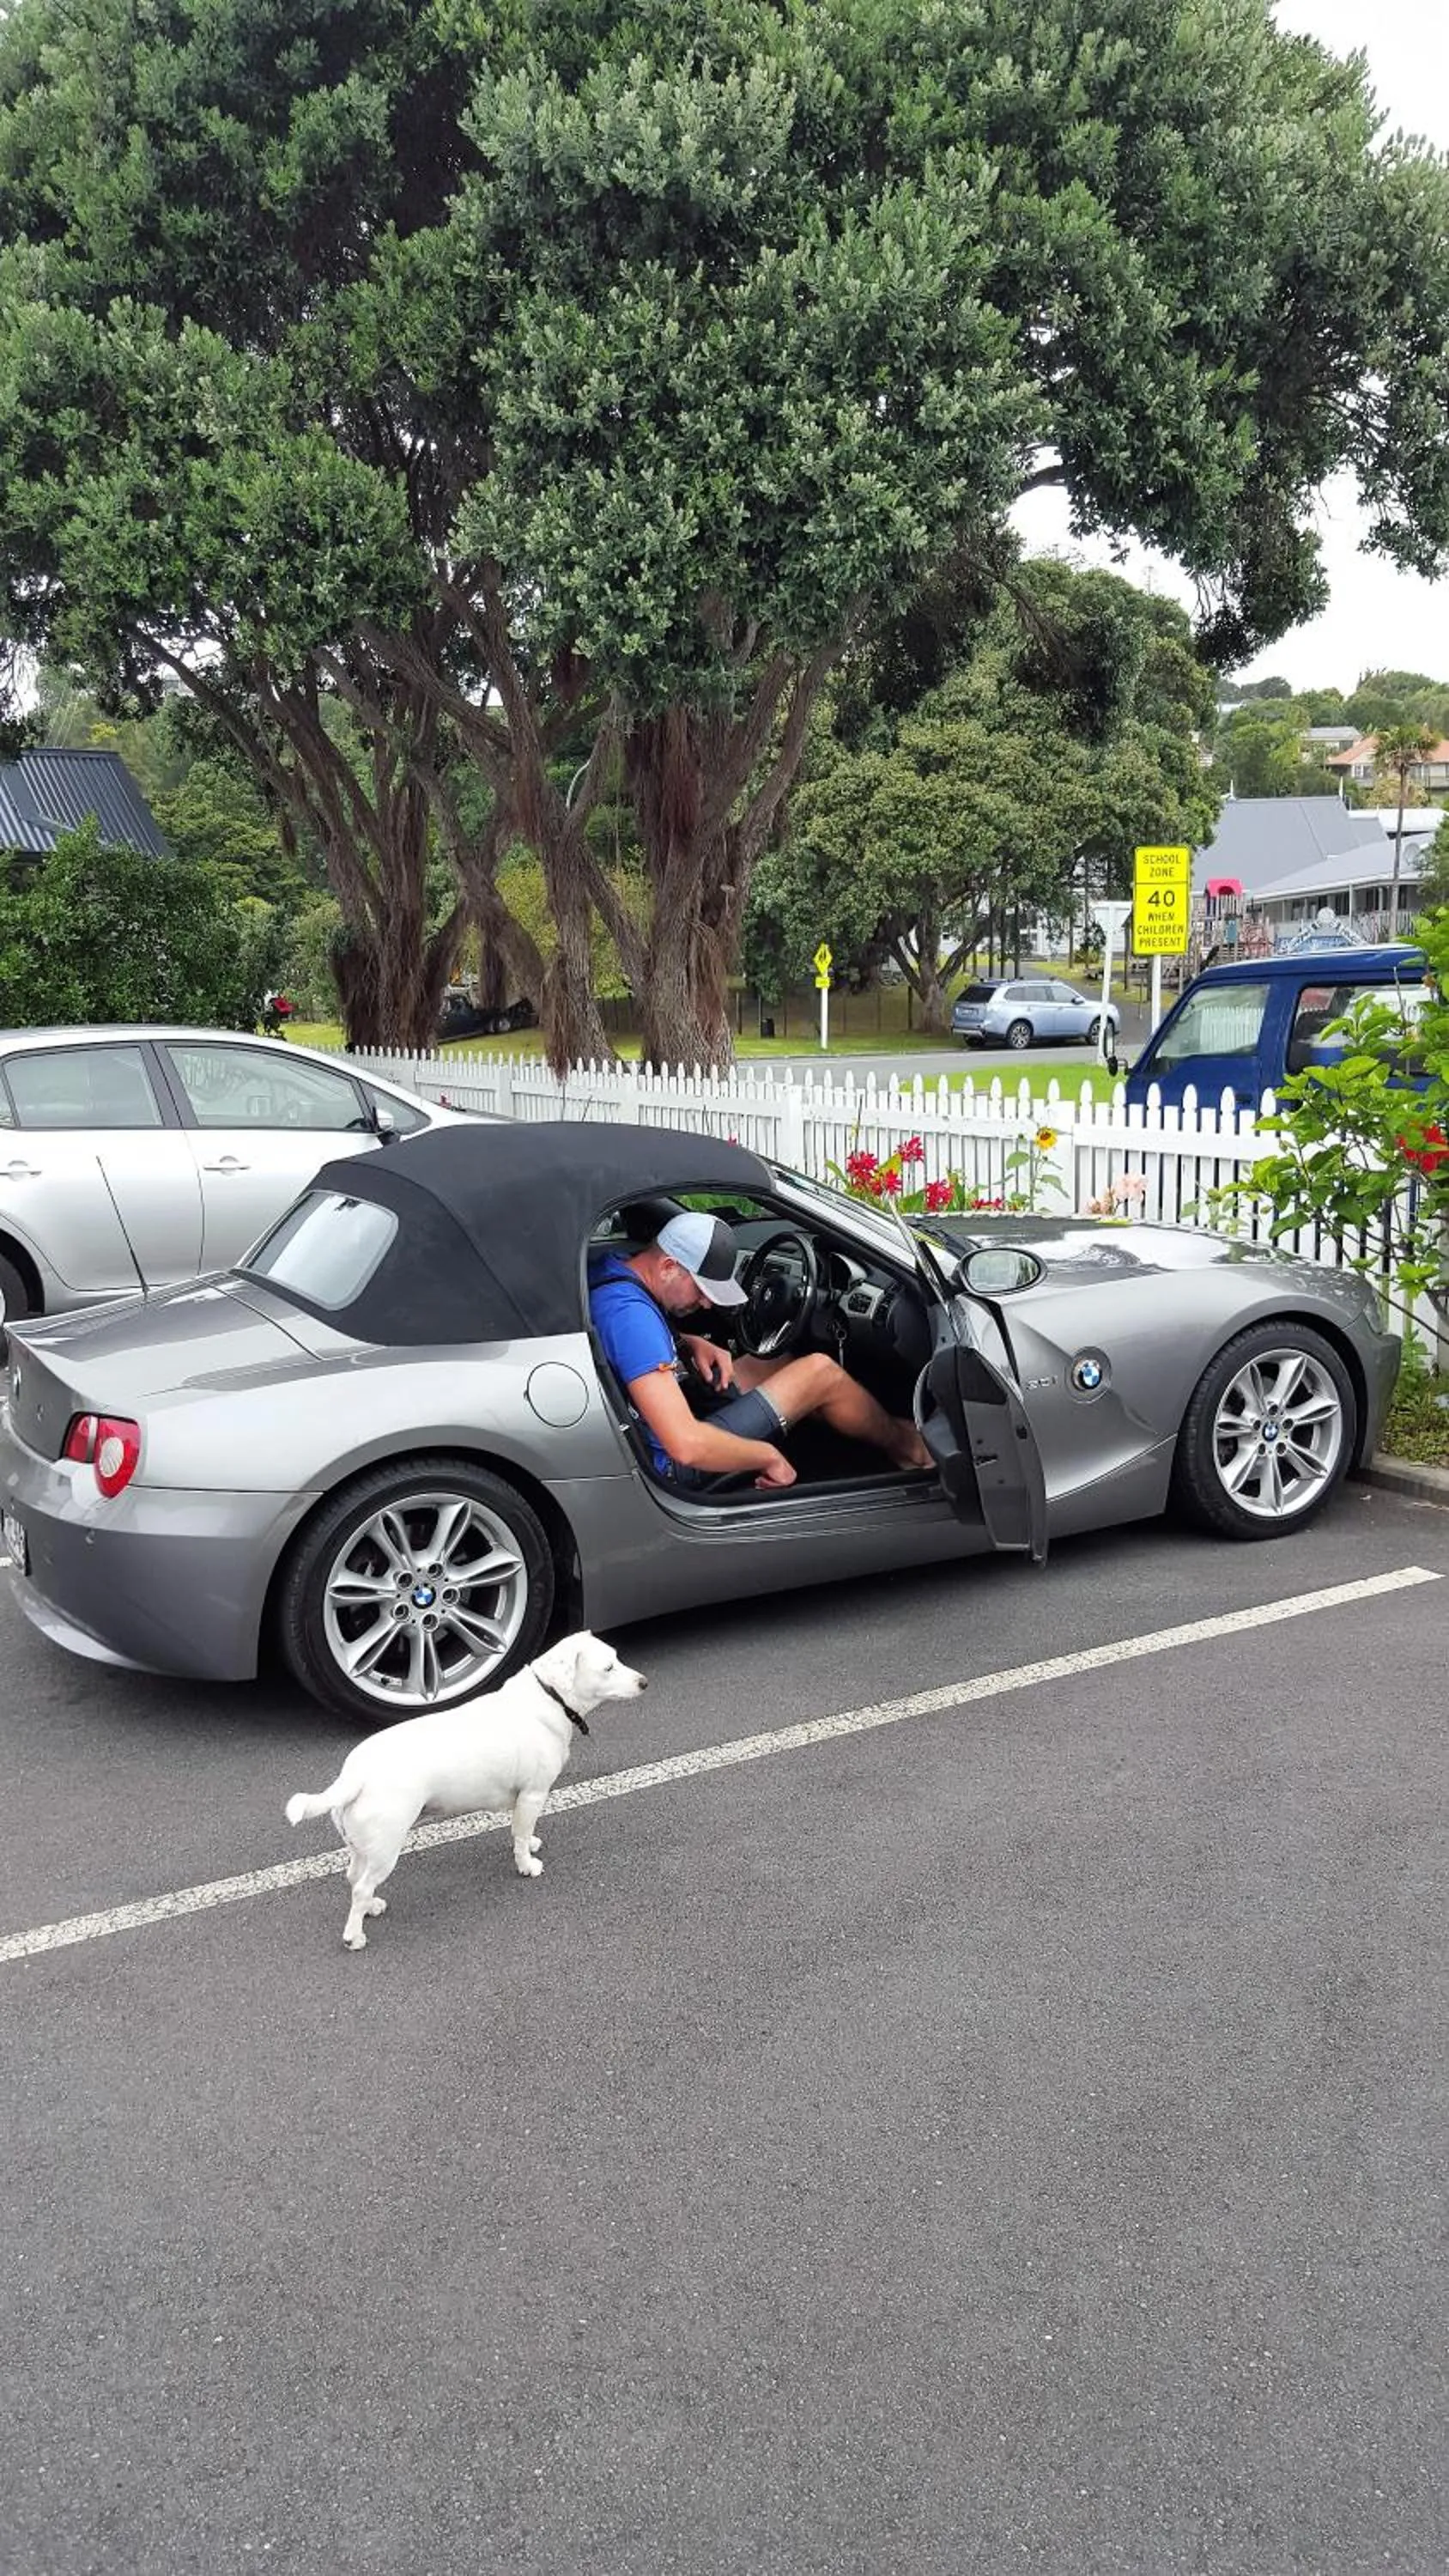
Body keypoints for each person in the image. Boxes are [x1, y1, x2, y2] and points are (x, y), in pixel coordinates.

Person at [587, 1210, 932, 1491]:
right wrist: (765, 1455)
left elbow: (626, 1343)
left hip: (668, 1407)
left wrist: (686, 1342)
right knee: (821, 1373)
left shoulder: (615, 1270)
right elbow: (685, 1445)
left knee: (777, 1363)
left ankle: (876, 1438)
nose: (706, 1304)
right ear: (668, 1267)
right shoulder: (632, 1319)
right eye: (702, 1290)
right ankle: (910, 1448)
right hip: (672, 1464)